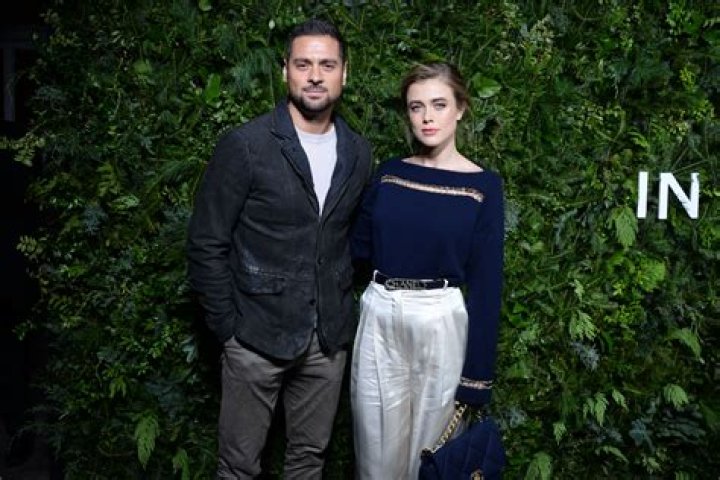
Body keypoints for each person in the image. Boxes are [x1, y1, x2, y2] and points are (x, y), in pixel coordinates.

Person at [186, 18, 372, 479]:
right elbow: (206, 242)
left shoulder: (359, 152)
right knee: (238, 468)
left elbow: (347, 239)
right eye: (303, 64)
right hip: (255, 336)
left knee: (309, 462)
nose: (315, 76)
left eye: (327, 65)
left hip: (327, 340)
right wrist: (229, 330)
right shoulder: (246, 145)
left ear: (344, 73)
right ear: (285, 70)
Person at [350, 62, 504, 479]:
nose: (427, 117)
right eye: (416, 107)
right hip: (379, 312)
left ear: (461, 109)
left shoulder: (483, 186)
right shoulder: (390, 173)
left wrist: (477, 377)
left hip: (440, 317)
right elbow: (355, 251)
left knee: (432, 460)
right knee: (374, 460)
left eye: (439, 104)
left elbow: (487, 285)